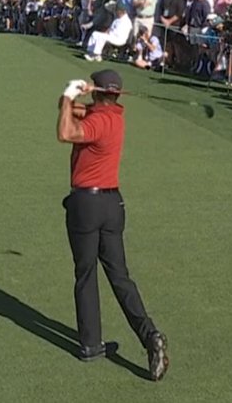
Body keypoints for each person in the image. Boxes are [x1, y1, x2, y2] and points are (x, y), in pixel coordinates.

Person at [56, 69, 168, 379]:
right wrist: (72, 96)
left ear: (97, 92)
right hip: (112, 205)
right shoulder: (114, 116)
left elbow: (65, 132)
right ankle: (150, 335)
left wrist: (68, 95)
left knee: (86, 273)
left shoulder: (96, 121)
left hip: (86, 205)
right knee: (119, 276)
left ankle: (91, 344)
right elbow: (73, 111)